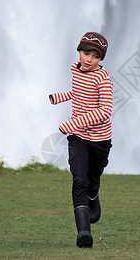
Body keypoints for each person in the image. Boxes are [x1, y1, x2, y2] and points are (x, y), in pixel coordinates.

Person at [49, 32, 113, 248]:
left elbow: (105, 111)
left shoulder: (103, 79)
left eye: (95, 57)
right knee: (79, 180)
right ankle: (84, 233)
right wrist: (60, 97)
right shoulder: (76, 70)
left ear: (100, 59)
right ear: (79, 51)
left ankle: (94, 195)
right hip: (78, 138)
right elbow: (79, 92)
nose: (88, 59)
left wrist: (72, 124)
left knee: (92, 180)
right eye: (86, 53)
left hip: (100, 141)